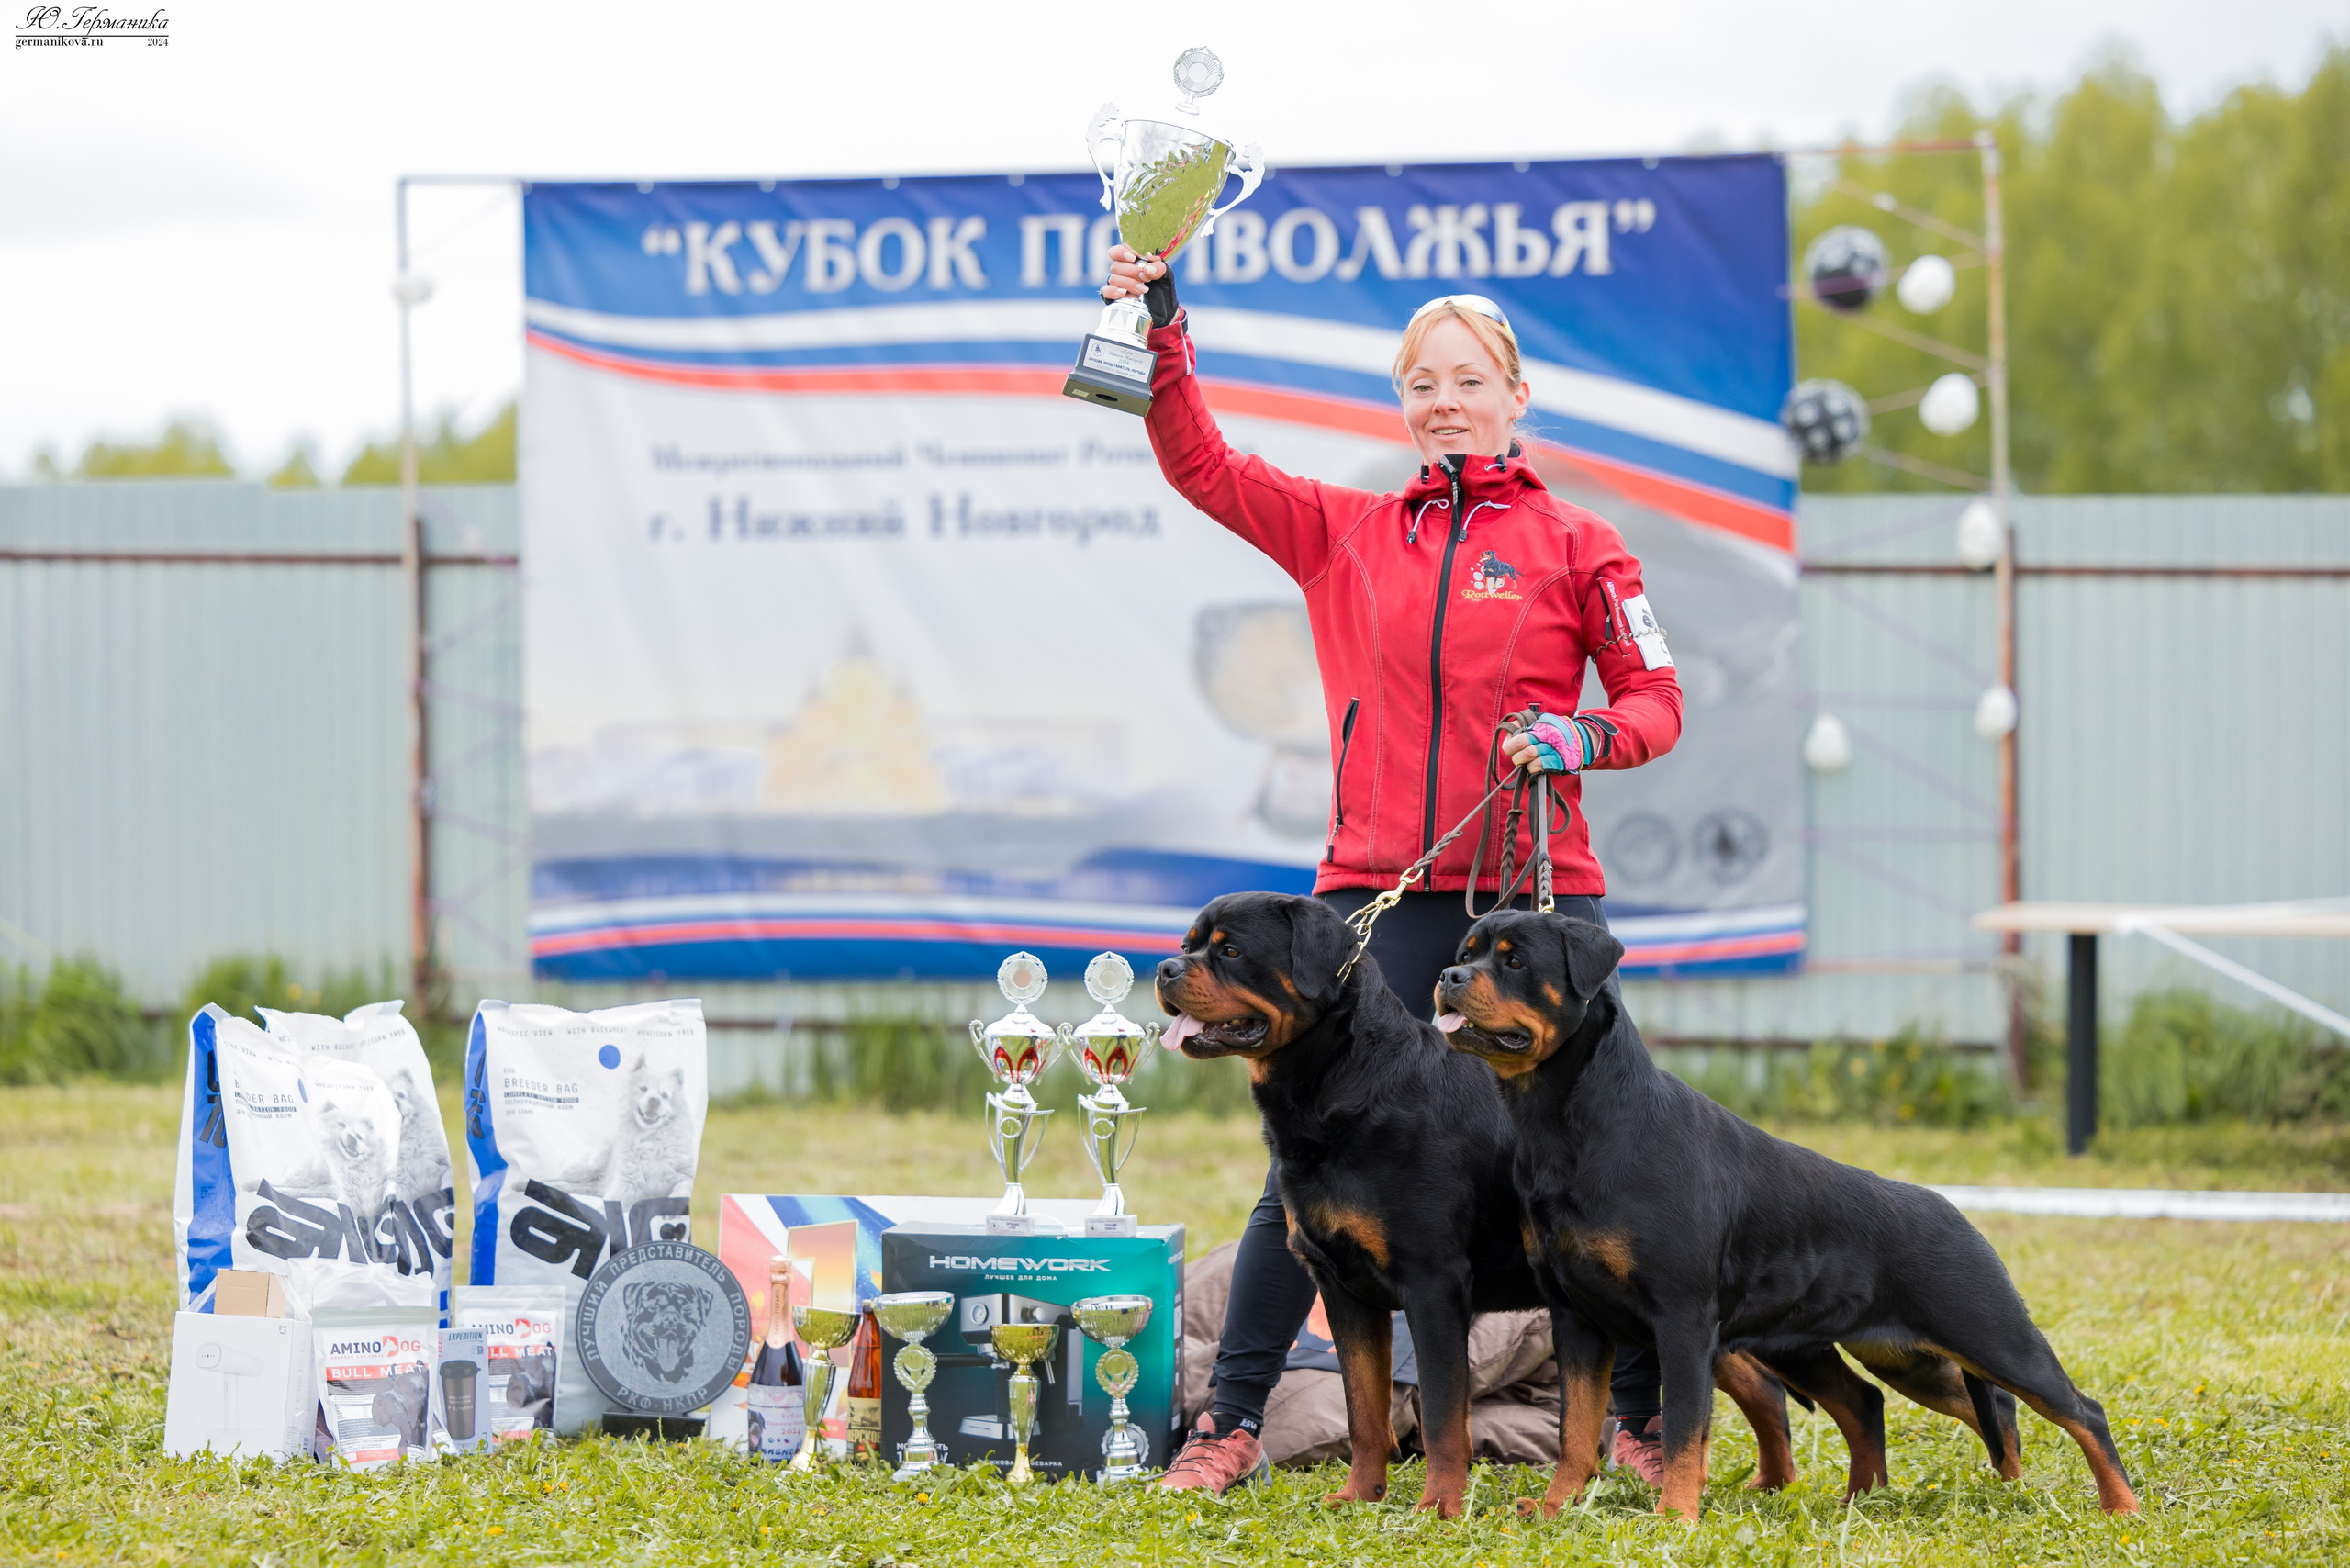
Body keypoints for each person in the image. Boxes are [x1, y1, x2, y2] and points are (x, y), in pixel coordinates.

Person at [1098, 247, 1688, 1495]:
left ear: (1515, 395)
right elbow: (1201, 460)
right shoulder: (1344, 531)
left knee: (1592, 1171)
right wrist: (1159, 317)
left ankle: (1635, 1424)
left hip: (1537, 903)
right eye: (1420, 383)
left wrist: (1580, 736)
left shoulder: (1584, 542)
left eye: (1467, 380)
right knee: (1307, 1170)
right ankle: (1233, 1423)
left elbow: (1655, 705)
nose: (1442, 402)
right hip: (1378, 901)